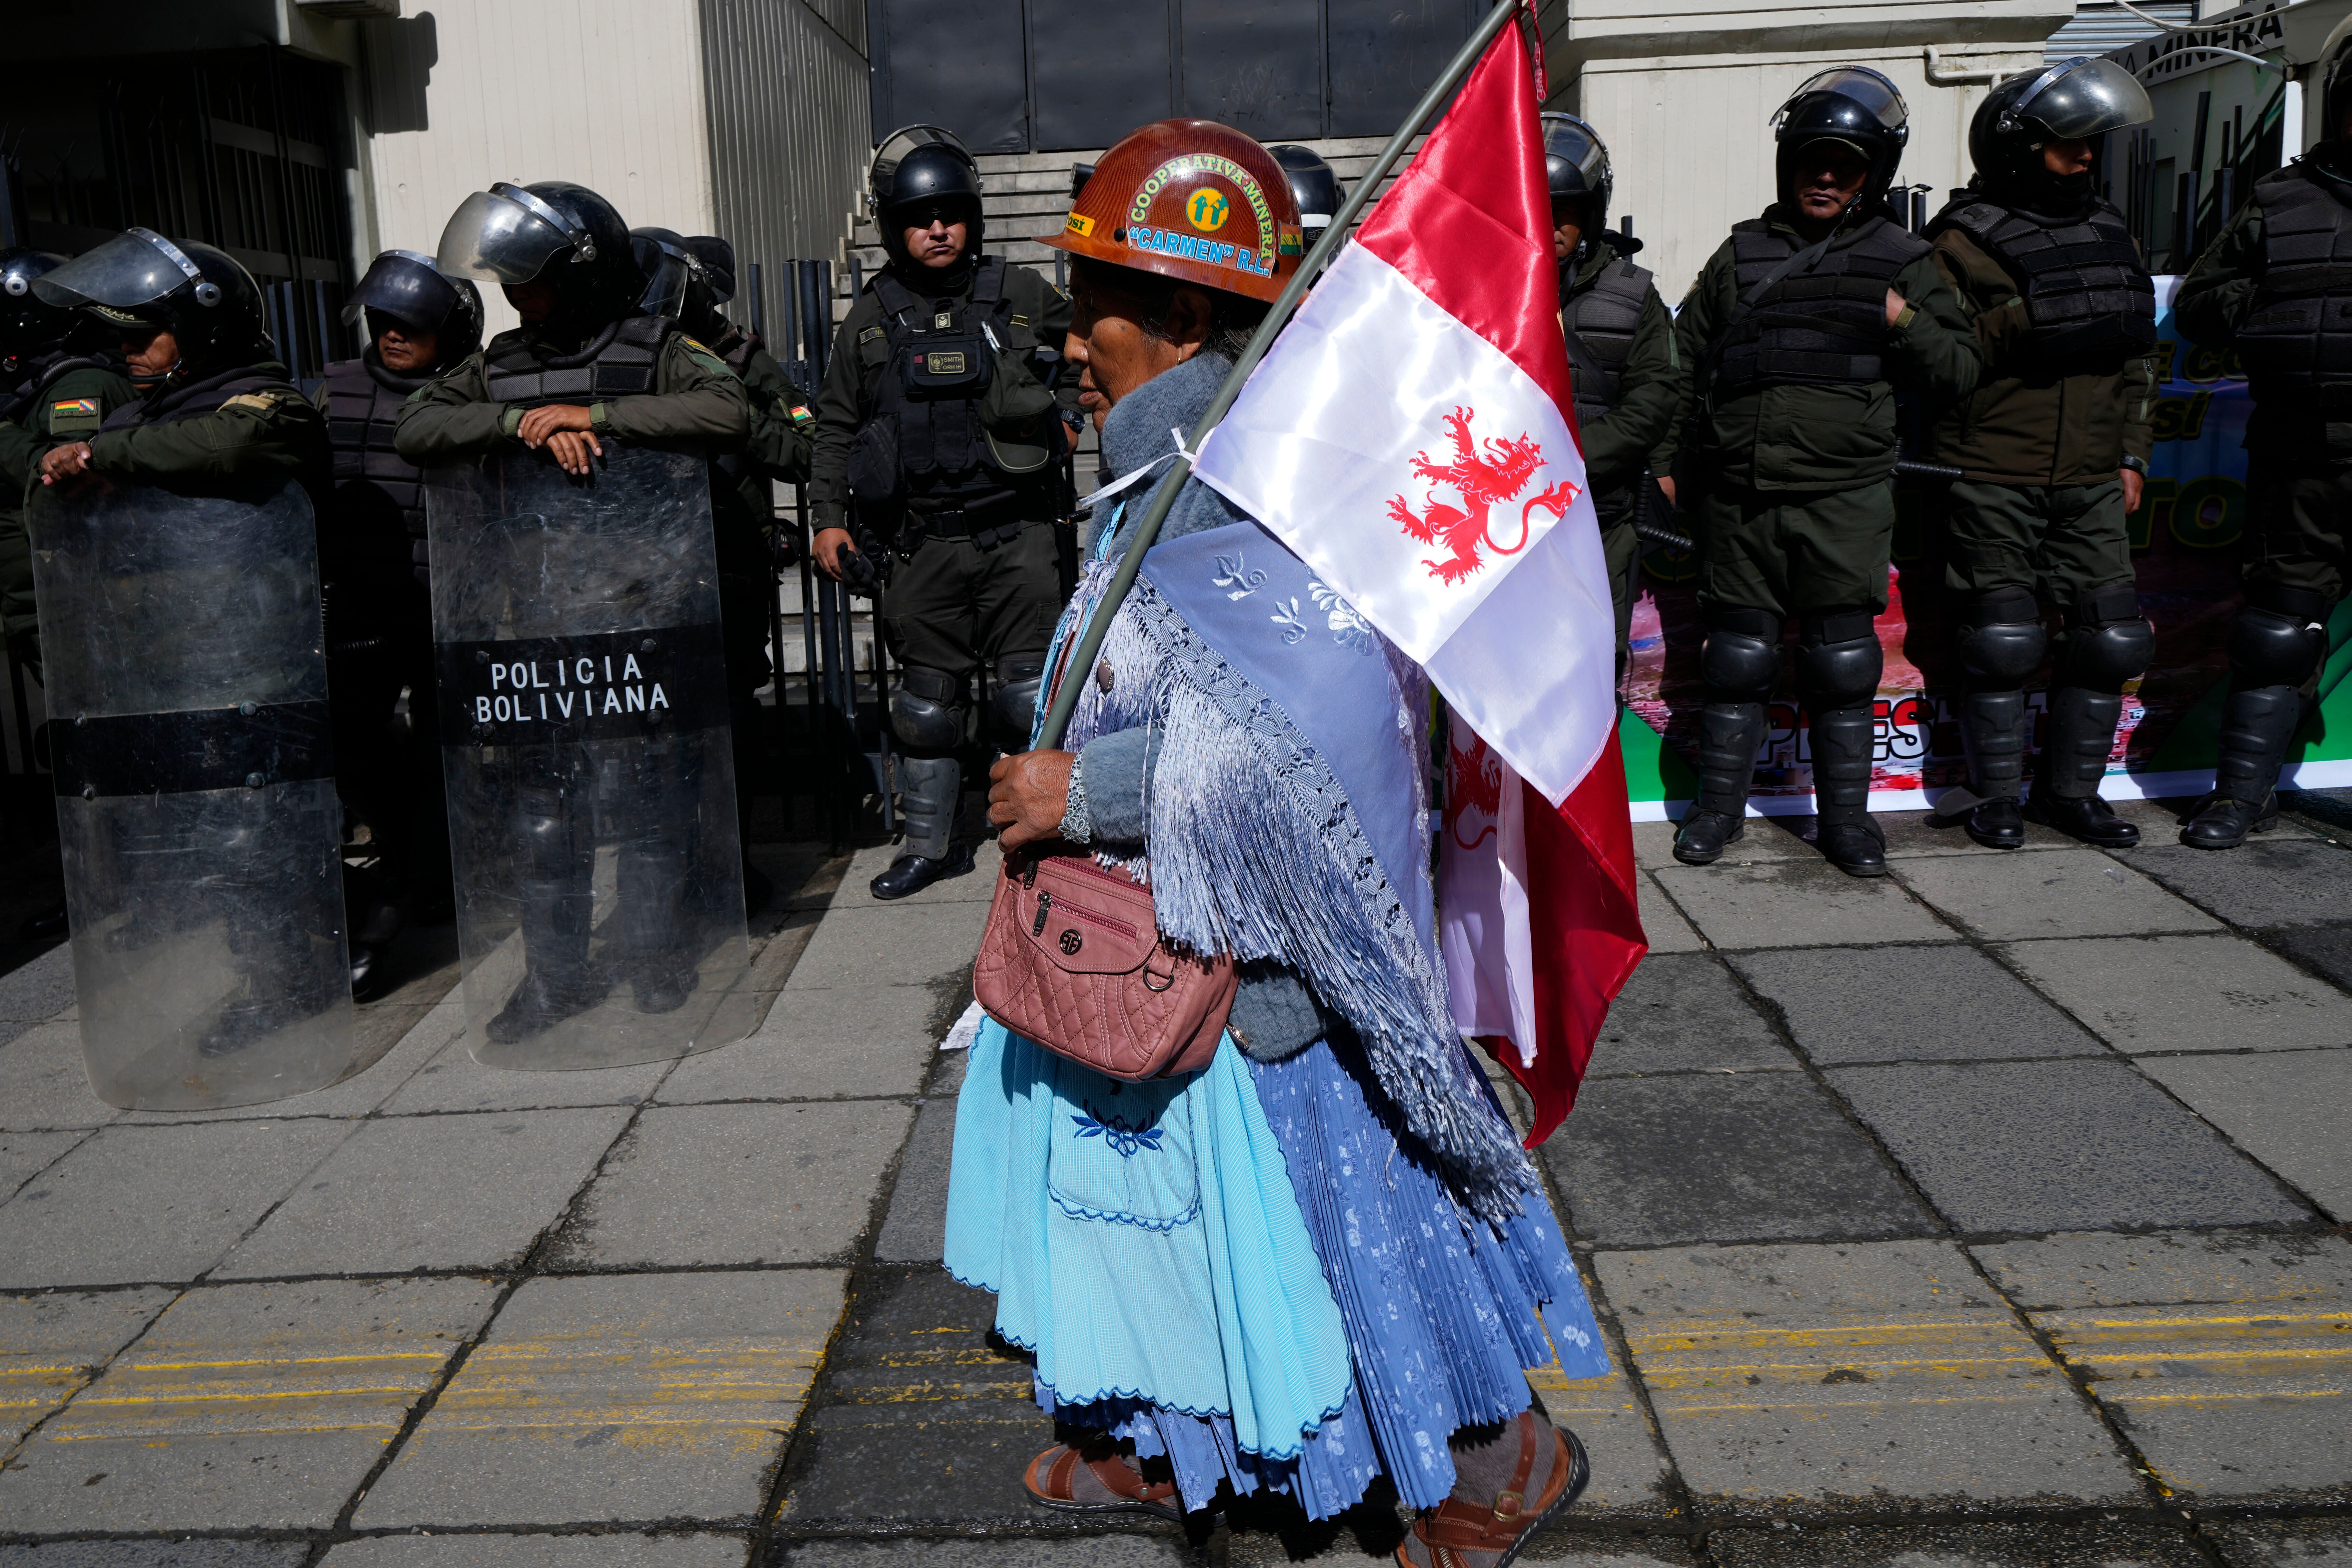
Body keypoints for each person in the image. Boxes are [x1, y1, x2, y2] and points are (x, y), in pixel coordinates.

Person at [947, 121, 1605, 1566]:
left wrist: (1085, 796)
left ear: (1184, 317)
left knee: (1351, 1231)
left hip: (1264, 972)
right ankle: (1174, 1444)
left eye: (1090, 307)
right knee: (1175, 1229)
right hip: (1160, 948)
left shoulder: (1249, 476)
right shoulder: (1170, 457)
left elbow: (1313, 744)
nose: (1067, 342)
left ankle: (1493, 1461)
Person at [398, 179, 751, 1044]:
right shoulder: (498, 366)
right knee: (546, 817)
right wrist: (523, 422)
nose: (517, 299)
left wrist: (594, 413)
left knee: (649, 807)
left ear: (587, 273)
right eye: (509, 282)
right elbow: (417, 427)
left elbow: (727, 408)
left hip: (642, 614)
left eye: (535, 279)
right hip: (539, 626)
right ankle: (553, 981)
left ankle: (655, 960)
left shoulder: (655, 345)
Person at [1672, 67, 1982, 875]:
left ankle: (1847, 823)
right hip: (1740, 499)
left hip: (1841, 498)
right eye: (1813, 161)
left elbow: (1957, 370)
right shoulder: (1739, 252)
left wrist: (1901, 319)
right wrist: (1674, 462)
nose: (1824, 178)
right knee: (1736, 658)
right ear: (1789, 164)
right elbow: (1683, 361)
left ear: (1870, 177)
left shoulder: (1901, 259)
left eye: (1844, 167)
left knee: (1842, 666)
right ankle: (1717, 814)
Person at [32, 229, 337, 1053]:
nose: (128, 352)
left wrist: (106, 454)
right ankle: (264, 971)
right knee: (214, 843)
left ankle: (291, 983)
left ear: (202, 330)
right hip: (174, 662)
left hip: (266, 661)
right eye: (122, 338)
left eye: (145, 336)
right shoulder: (143, 415)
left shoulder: (268, 402)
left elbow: (227, 445)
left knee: (260, 834)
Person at [808, 126, 1078, 900]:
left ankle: (1043, 842)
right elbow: (833, 426)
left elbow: (1091, 345)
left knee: (1029, 695)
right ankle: (929, 846)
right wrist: (829, 517)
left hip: (1018, 534)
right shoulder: (868, 320)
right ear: (895, 230)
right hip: (921, 543)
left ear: (972, 220)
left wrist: (1068, 411)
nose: (936, 230)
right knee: (927, 704)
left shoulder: (1020, 294)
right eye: (919, 220)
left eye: (950, 215)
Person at [1924, 58, 2160, 852]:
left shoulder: (2107, 230)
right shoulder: (1958, 241)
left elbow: (2136, 358)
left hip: (2092, 474)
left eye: (2092, 142)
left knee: (2110, 637)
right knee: (1999, 644)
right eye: (2069, 144)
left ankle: (2072, 796)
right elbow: (1935, 359)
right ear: (2020, 147)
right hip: (1993, 470)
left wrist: (2131, 452)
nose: (2086, 157)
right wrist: (2031, 319)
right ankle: (1995, 800)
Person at [2172, 30, 2352, 848]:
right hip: (2300, 457)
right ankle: (2240, 798)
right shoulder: (2281, 199)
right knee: (2276, 631)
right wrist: (2282, 310)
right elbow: (2198, 305)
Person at [314, 249, 485, 991]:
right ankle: (394, 863)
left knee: (447, 745)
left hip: (449, 600)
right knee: (353, 740)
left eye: (410, 325)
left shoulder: (472, 391)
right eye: (382, 321)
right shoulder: (333, 389)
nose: (391, 335)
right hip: (360, 601)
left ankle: (439, 873)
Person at [634, 225, 812, 909]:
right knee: (649, 729)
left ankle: (728, 867)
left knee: (729, 722)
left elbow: (806, 444)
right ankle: (664, 878)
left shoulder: (741, 357)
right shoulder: (632, 350)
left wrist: (733, 425)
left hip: (727, 562)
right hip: (642, 568)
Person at [0, 246, 136, 942]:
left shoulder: (75, 384)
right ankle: (101, 889)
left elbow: (61, 480)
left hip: (75, 606)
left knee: (99, 754)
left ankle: (120, 894)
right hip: (38, 607)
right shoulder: (31, 388)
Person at [1543, 112, 1686, 676]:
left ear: (1593, 212)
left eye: (1568, 211)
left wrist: (1569, 458)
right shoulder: (1482, 287)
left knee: (1590, 674)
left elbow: (1655, 400)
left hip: (1597, 520)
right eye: (1541, 206)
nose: (1553, 224)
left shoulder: (1632, 297)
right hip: (1501, 522)